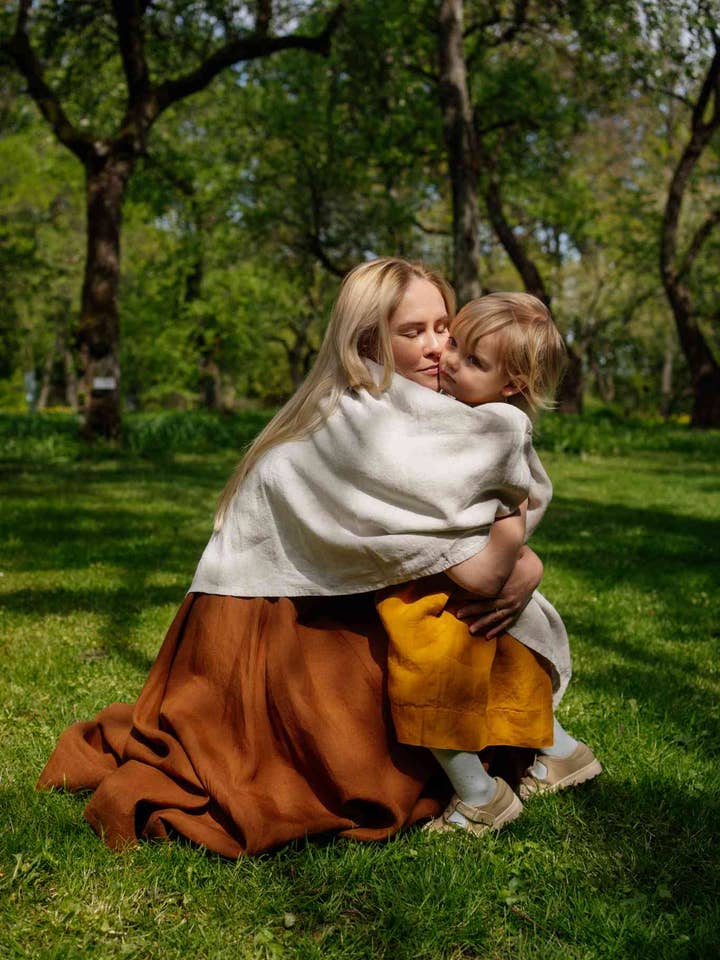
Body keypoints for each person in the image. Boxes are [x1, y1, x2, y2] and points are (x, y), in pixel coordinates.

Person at [37, 259, 552, 856]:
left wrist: (526, 564)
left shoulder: (442, 421)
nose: (440, 348)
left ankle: (523, 754)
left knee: (455, 647)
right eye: (414, 332)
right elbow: (465, 558)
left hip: (360, 607)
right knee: (351, 764)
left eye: (446, 327)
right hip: (282, 632)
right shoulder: (348, 428)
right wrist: (515, 564)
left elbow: (472, 518)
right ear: (366, 342)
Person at [377, 292, 602, 835]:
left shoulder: (494, 425)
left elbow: (485, 502)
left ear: (510, 386)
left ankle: (480, 795)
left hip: (470, 569)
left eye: (472, 360)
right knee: (501, 659)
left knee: (426, 661)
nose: (447, 359)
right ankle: (561, 751)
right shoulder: (468, 410)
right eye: (455, 343)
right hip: (467, 568)